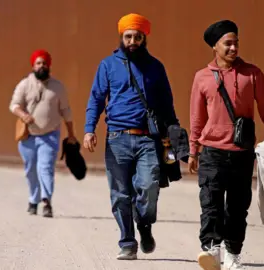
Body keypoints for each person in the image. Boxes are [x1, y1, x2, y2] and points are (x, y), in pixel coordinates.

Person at [188, 20, 264, 270]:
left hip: (242, 153)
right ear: (215, 46)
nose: (233, 48)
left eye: (236, 43)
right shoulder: (202, 78)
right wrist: (193, 150)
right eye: (227, 43)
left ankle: (232, 252)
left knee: (237, 208)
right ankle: (211, 249)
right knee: (210, 203)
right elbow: (197, 118)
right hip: (212, 152)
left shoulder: (252, 74)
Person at [83, 13, 178, 260]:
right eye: (128, 36)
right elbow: (96, 98)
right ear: (121, 37)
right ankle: (127, 242)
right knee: (120, 194)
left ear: (144, 38)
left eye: (137, 36)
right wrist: (89, 129)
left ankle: (144, 225)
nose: (132, 41)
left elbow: (167, 103)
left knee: (148, 186)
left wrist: (174, 134)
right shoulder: (108, 65)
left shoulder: (156, 67)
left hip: (148, 139)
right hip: (117, 138)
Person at [9, 49, 77, 218]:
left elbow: (66, 111)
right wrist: (23, 115)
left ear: (49, 65)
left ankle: (46, 201)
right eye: (38, 63)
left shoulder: (58, 87)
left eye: (44, 63)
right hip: (28, 136)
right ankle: (33, 200)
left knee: (45, 168)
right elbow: (14, 105)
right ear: (33, 65)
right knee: (31, 169)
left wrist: (71, 134)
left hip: (50, 135)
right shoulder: (24, 84)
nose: (41, 66)